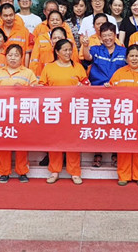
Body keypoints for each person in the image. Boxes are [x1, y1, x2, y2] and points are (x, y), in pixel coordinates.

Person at [39, 39, 88, 185]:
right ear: (57, 52)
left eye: (70, 50)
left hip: (73, 110)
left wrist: (82, 87)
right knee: (55, 141)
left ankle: (75, 172)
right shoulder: (49, 68)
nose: (68, 53)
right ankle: (54, 171)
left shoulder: (77, 67)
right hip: (54, 110)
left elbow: (87, 86)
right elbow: (42, 87)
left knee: (73, 142)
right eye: (65, 50)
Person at [106, 45, 138, 186]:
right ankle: (124, 175)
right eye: (131, 56)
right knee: (124, 146)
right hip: (124, 115)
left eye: (137, 56)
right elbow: (111, 92)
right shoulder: (119, 74)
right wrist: (107, 89)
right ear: (126, 58)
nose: (134, 58)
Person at [0, 44, 38, 183]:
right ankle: (4, 172)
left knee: (22, 143)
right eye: (10, 55)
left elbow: (37, 92)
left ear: (22, 57)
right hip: (2, 114)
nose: (13, 58)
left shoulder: (28, 73)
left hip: (22, 114)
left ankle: (22, 171)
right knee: (3, 143)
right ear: (5, 57)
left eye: (16, 55)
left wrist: (24, 89)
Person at [81, 21, 126, 168]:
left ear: (115, 35)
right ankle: (98, 153)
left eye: (110, 35)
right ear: (100, 37)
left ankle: (115, 153)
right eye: (104, 36)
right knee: (98, 123)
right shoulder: (95, 49)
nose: (107, 38)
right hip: (98, 92)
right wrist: (85, 45)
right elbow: (87, 57)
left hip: (117, 93)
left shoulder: (123, 51)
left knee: (116, 123)